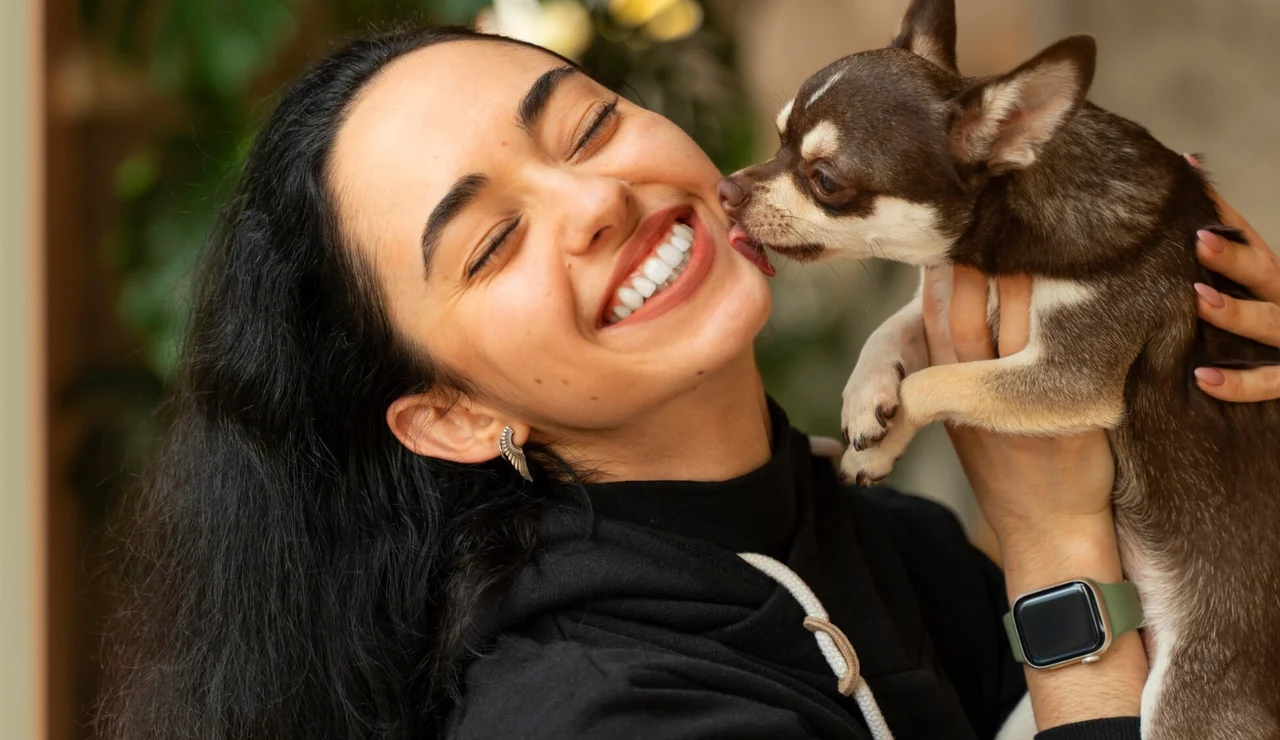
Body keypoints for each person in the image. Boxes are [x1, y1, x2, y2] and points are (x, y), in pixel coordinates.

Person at [97, 26, 1280, 740]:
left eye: (584, 125)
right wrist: (1057, 558)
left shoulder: (881, 540)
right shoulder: (595, 713)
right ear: (455, 413)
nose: (596, 198)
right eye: (491, 242)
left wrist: (1223, 421)